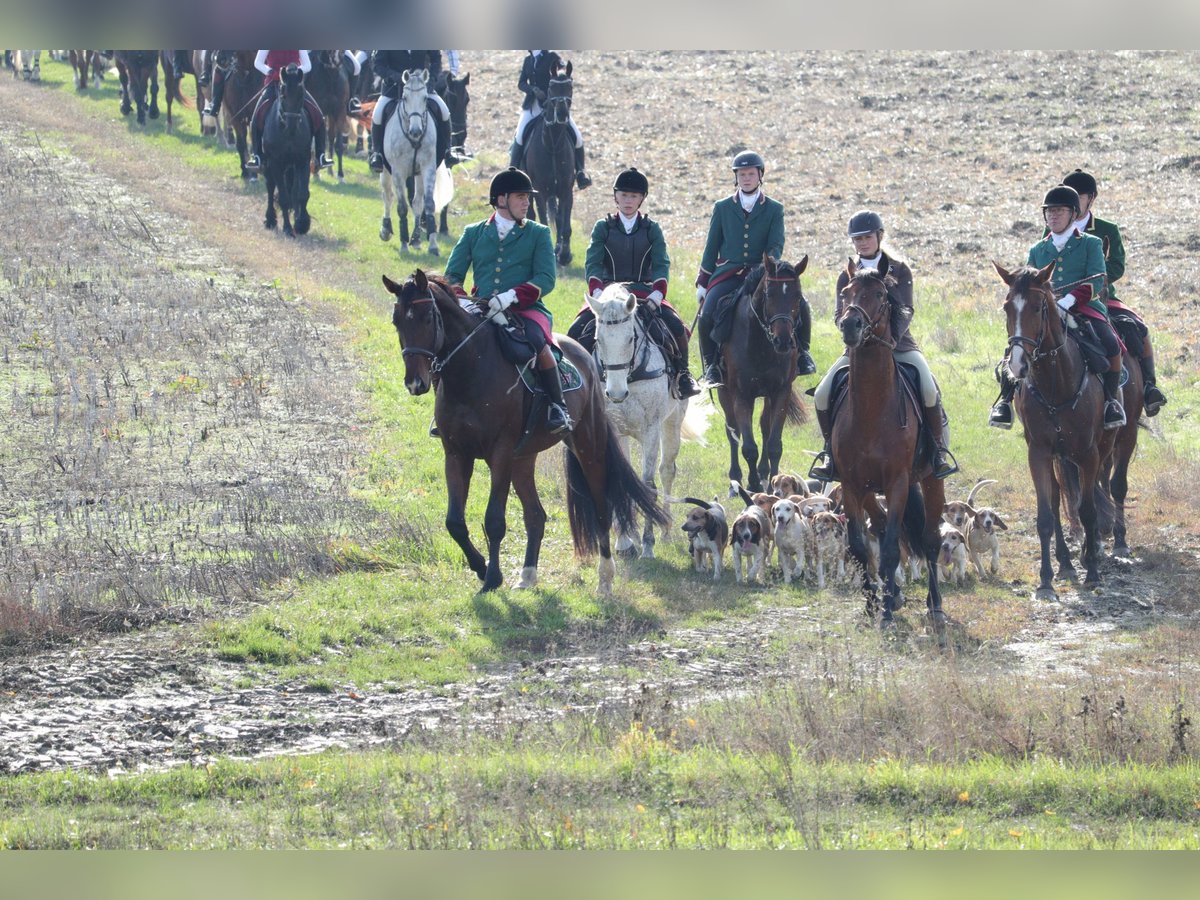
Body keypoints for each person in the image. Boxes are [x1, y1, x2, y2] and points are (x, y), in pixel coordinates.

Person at [809, 210, 958, 481]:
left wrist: (890, 341)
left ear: (879, 237)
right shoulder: (847, 276)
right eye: (857, 239)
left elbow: (906, 310)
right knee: (821, 394)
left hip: (900, 346)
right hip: (857, 352)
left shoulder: (899, 269)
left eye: (867, 237)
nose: (862, 243)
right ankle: (830, 453)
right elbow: (838, 315)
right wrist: (850, 333)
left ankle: (936, 452)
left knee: (928, 387)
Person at [443, 168, 571, 434]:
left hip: (526, 310)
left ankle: (557, 407)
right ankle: (445, 411)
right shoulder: (473, 233)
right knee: (447, 345)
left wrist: (512, 296)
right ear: (501, 199)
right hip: (480, 308)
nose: (527, 202)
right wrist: (463, 300)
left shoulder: (538, 233)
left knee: (537, 342)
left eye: (527, 197)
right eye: (521, 197)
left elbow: (546, 278)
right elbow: (453, 275)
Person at [989, 184, 1127, 431]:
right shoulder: (1038, 248)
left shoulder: (1091, 243)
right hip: (1044, 309)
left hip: (1085, 307)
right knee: (1018, 343)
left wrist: (1070, 300)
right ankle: (1005, 402)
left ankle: (1110, 402)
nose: (1053, 216)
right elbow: (1028, 280)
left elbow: (1097, 279)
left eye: (1059, 211)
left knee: (1111, 344)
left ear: (1073, 214)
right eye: (1049, 212)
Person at [566, 167, 701, 398]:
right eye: (624, 195)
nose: (628, 201)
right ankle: (571, 380)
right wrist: (597, 292)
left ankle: (683, 375)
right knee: (576, 329)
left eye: (634, 196)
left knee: (676, 326)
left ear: (642, 199)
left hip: (643, 291)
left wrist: (658, 293)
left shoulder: (652, 228)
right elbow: (593, 262)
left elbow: (661, 263)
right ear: (615, 197)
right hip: (608, 292)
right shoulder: (603, 227)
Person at [694, 150, 814, 385]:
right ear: (736, 177)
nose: (746, 178)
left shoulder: (774, 208)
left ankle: (803, 356)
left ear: (760, 175)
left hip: (763, 273)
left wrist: (765, 268)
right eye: (741, 174)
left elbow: (776, 245)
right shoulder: (722, 207)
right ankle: (711, 367)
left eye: (750, 173)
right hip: (728, 273)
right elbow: (712, 246)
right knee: (707, 313)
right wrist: (703, 281)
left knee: (804, 306)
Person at [1059, 168, 1167, 415]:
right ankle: (1011, 392)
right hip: (1060, 299)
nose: (1072, 201)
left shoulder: (1107, 229)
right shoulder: (1053, 226)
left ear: (1091, 198)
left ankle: (1149, 386)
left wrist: (1091, 279)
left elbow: (1117, 265)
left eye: (1078, 195)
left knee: (1138, 328)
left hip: (1100, 297)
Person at [508, 50, 592, 190]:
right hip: (534, 105)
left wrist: (560, 75)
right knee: (520, 135)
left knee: (576, 135)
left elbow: (562, 69)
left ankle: (581, 172)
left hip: (555, 105)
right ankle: (512, 173)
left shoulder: (552, 57)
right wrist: (533, 89)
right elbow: (521, 83)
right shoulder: (528, 60)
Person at [244, 51, 333, 174]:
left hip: (294, 85)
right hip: (273, 84)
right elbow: (258, 62)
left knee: (318, 115)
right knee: (256, 118)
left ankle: (321, 155)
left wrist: (294, 72)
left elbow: (307, 65)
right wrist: (269, 71)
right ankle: (257, 156)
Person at [368, 50, 455, 173]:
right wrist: (395, 76)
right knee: (377, 114)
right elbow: (378, 65)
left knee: (444, 111)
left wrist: (431, 79)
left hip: (420, 89)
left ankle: (448, 152)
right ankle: (377, 154)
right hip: (393, 89)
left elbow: (436, 59)